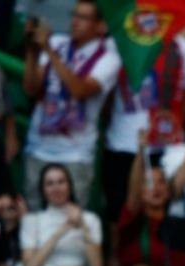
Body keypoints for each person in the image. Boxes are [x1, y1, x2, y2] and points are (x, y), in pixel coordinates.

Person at [20, 1, 121, 210]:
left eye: (83, 18)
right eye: (74, 15)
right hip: (39, 146)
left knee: (72, 219)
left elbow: (80, 90)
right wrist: (32, 51)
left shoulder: (109, 58)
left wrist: (49, 50)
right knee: (34, 216)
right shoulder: (57, 42)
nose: (75, 22)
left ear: (101, 26)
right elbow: (31, 88)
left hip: (75, 154)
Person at [100, 24, 185, 222]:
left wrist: (171, 124)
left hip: (165, 147)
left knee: (165, 211)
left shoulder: (181, 46)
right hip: (121, 144)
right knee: (119, 213)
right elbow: (106, 93)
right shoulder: (115, 43)